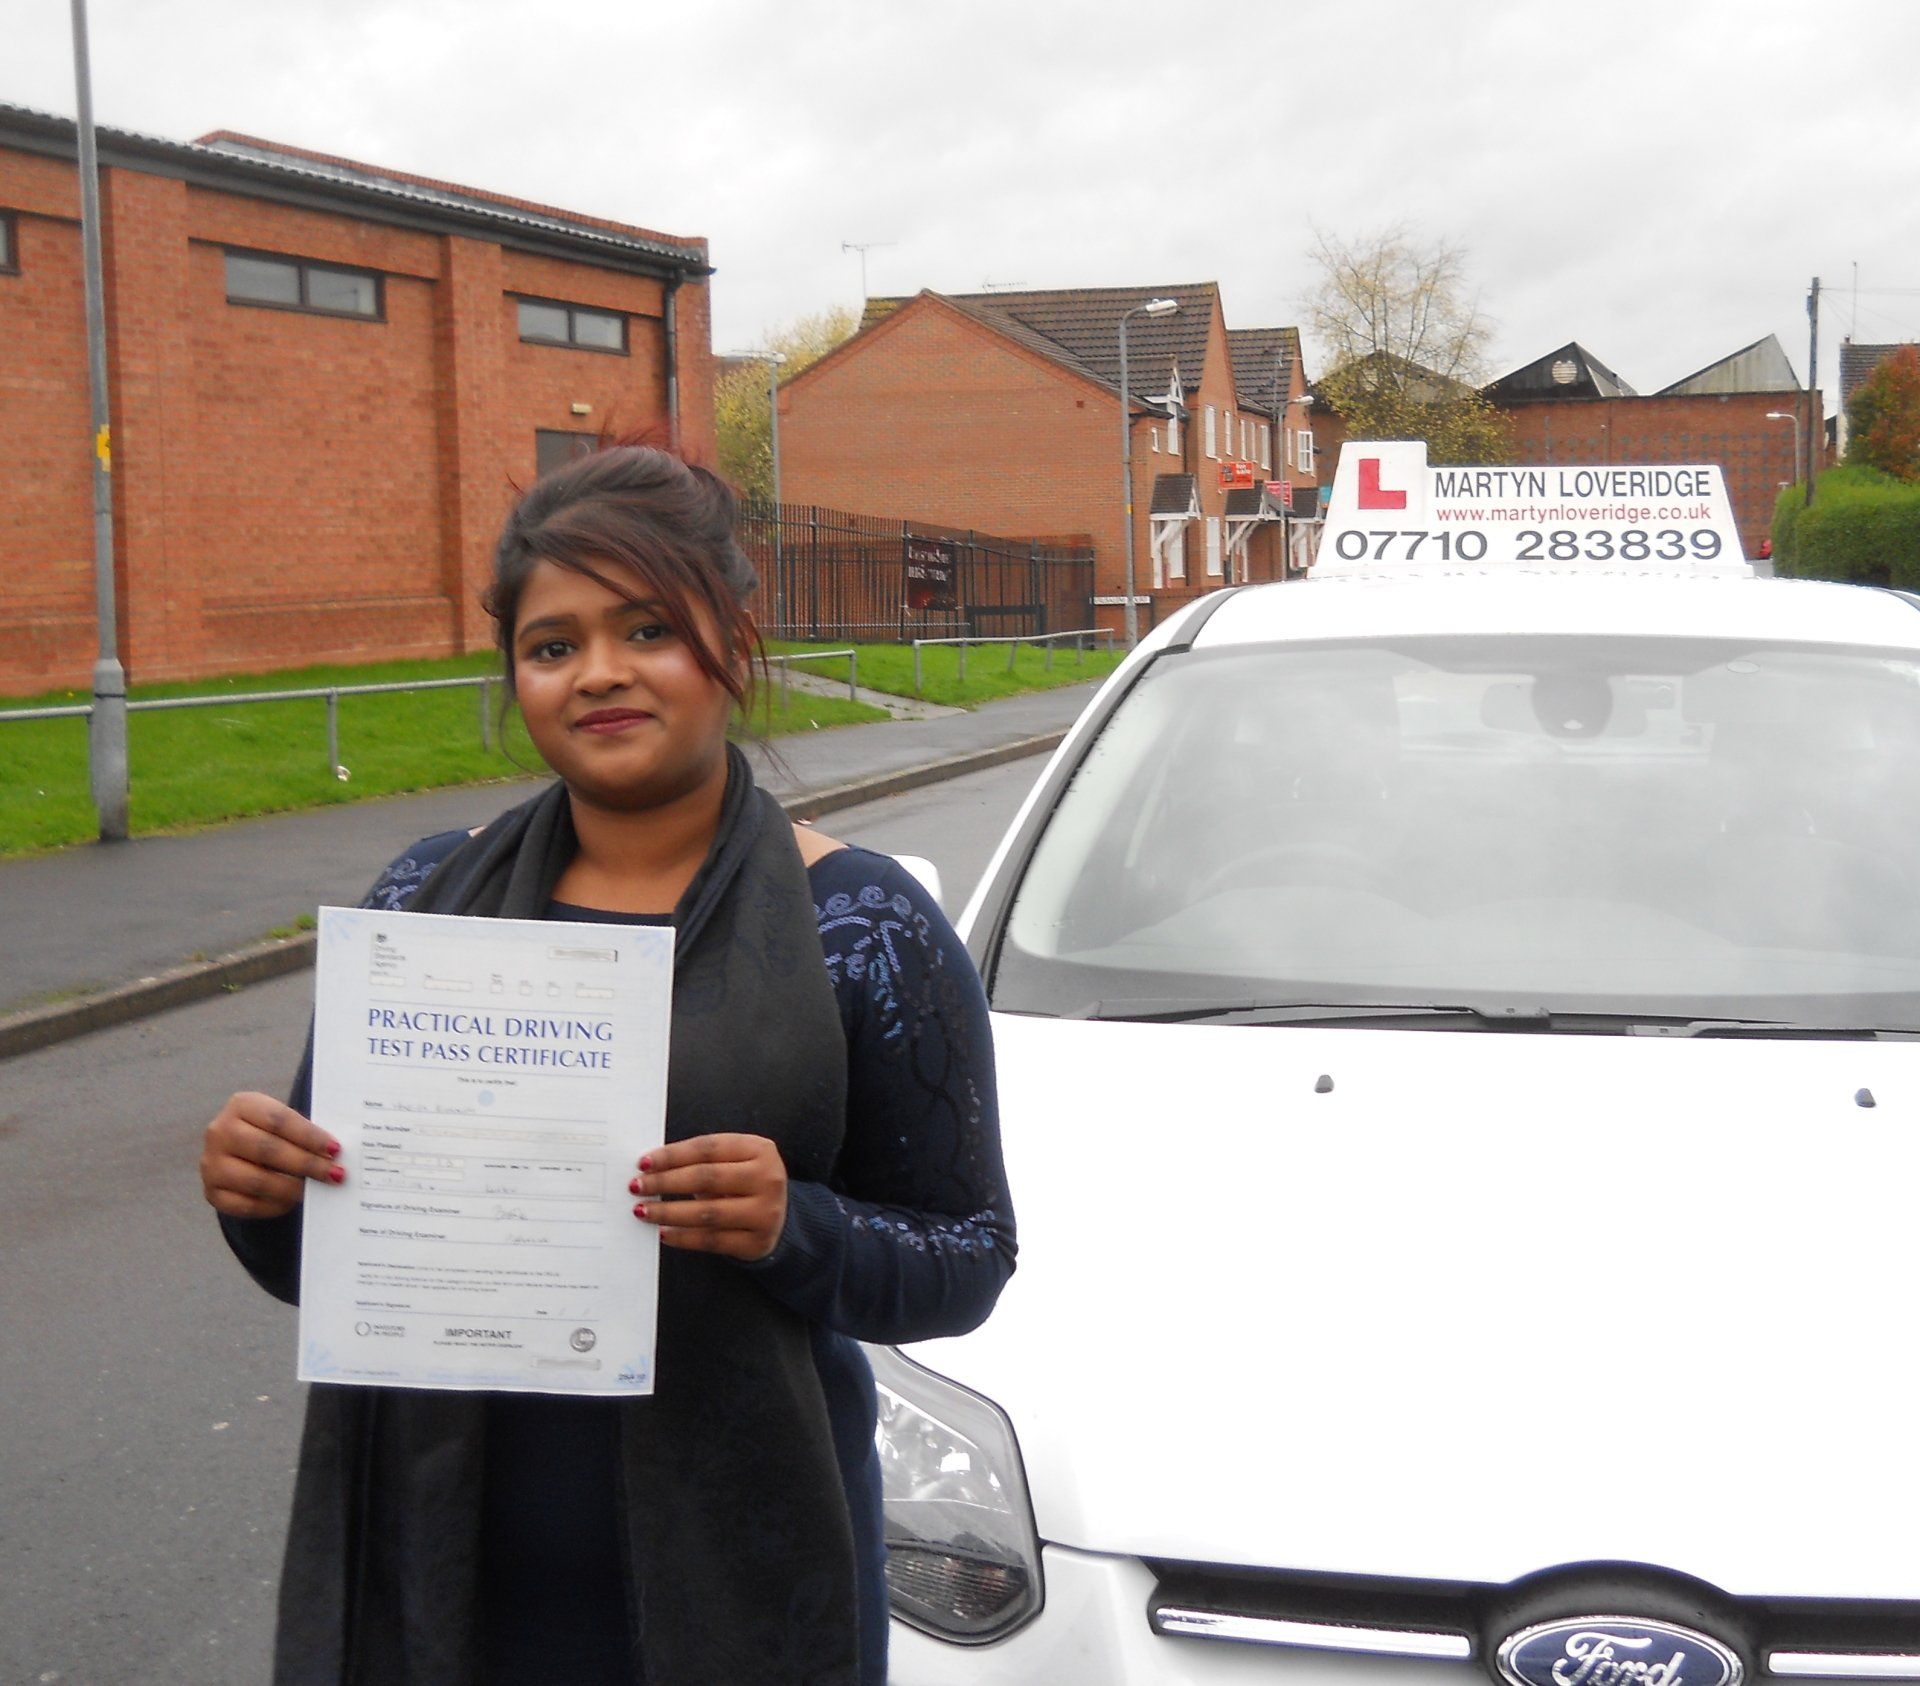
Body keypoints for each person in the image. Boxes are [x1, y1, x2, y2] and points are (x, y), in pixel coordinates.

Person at [199, 444, 1016, 1685]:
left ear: (732, 636)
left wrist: (791, 1225)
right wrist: (259, 1193)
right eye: (553, 644)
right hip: (447, 1579)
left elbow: (968, 1258)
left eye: (647, 627)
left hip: (741, 1585)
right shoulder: (427, 899)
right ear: (516, 673)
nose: (601, 675)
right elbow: (337, 1261)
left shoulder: (863, 926)